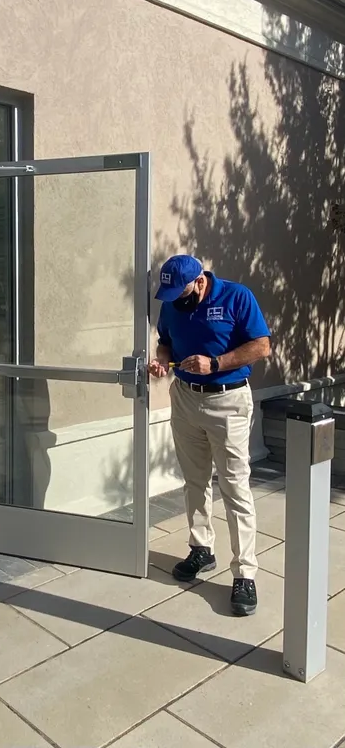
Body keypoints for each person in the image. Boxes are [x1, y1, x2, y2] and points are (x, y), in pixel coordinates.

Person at [148, 255, 271, 616]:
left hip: (228, 400)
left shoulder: (237, 297)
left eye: (181, 292)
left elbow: (261, 345)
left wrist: (215, 364)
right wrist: (161, 360)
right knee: (194, 480)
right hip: (185, 398)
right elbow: (165, 342)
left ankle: (245, 572)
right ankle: (201, 548)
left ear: (200, 281)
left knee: (235, 486)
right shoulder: (172, 304)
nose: (176, 301)